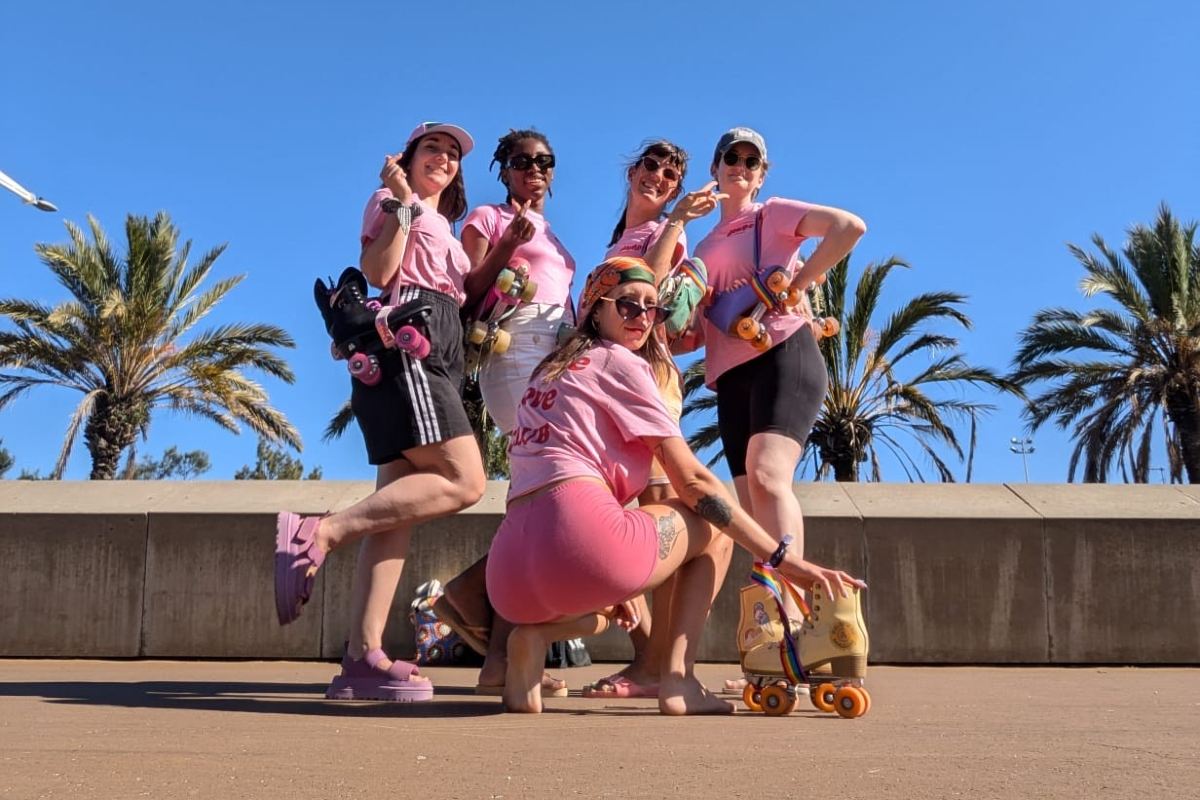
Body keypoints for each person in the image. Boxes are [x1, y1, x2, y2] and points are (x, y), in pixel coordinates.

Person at [486, 256, 865, 714]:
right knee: (716, 524)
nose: (644, 318)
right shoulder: (620, 363)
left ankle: (533, 637)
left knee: (612, 598)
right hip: (581, 545)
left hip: (508, 577)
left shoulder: (547, 372)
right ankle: (679, 679)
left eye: (654, 310)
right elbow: (694, 483)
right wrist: (785, 562)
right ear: (594, 309)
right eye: (628, 306)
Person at [274, 122, 486, 702]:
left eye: (452, 153)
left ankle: (361, 657)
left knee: (395, 512)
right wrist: (402, 205)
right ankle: (321, 532)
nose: (443, 157)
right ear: (407, 158)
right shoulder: (393, 201)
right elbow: (377, 272)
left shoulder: (448, 225)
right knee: (466, 480)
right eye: (432, 148)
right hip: (406, 340)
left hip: (435, 347)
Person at [689, 127, 866, 691]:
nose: (740, 166)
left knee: (768, 475)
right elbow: (696, 328)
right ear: (715, 168)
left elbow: (848, 228)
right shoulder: (701, 245)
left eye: (751, 160)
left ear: (762, 173)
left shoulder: (773, 214)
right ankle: (774, 639)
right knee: (748, 503)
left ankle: (802, 622)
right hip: (729, 373)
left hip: (783, 353)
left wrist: (801, 286)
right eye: (730, 158)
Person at [432, 128, 577, 696]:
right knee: (541, 498)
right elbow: (464, 291)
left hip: (556, 357)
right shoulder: (490, 218)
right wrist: (506, 246)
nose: (534, 170)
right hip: (514, 351)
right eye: (522, 162)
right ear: (504, 169)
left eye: (545, 161)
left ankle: (494, 637)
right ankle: (502, 654)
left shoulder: (559, 239)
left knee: (542, 501)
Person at [581, 140, 726, 699]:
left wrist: (677, 221)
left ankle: (664, 666)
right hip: (619, 381)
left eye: (672, 173)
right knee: (649, 517)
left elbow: (651, 293)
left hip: (647, 379)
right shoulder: (622, 237)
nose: (661, 178)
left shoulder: (665, 233)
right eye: (652, 166)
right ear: (631, 170)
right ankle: (653, 663)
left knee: (666, 515)